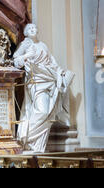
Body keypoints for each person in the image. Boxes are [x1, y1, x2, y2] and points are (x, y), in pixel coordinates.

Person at [13, 23, 75, 153]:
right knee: (42, 111)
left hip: (50, 80)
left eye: (35, 28)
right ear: (25, 33)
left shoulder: (43, 45)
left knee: (49, 112)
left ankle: (37, 145)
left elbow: (52, 61)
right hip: (36, 82)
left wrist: (60, 71)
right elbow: (16, 60)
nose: (33, 30)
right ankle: (27, 138)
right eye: (30, 29)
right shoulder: (26, 44)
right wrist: (26, 56)